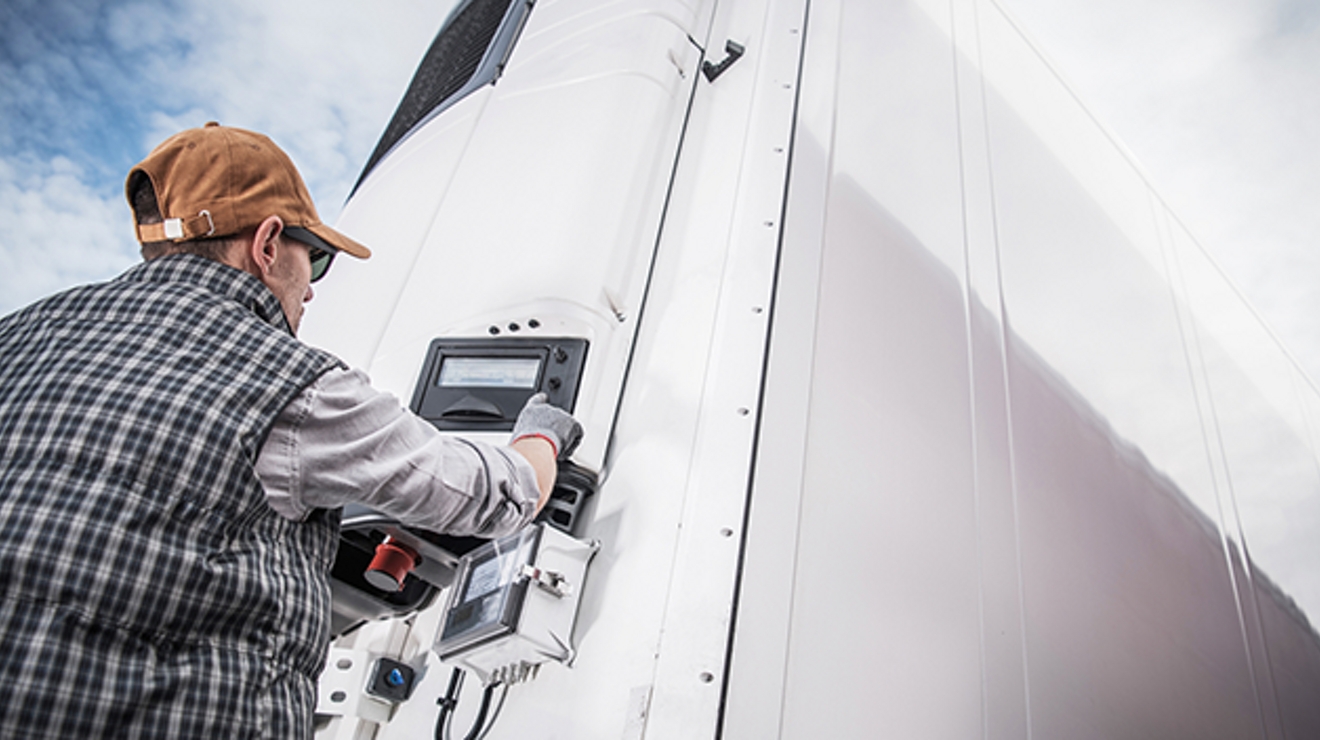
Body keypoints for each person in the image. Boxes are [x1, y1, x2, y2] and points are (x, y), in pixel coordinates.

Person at [0, 122, 582, 738]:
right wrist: (539, 436)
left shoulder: (18, 334)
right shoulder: (286, 379)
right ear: (269, 244)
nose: (311, 292)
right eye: (318, 260)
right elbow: (496, 495)